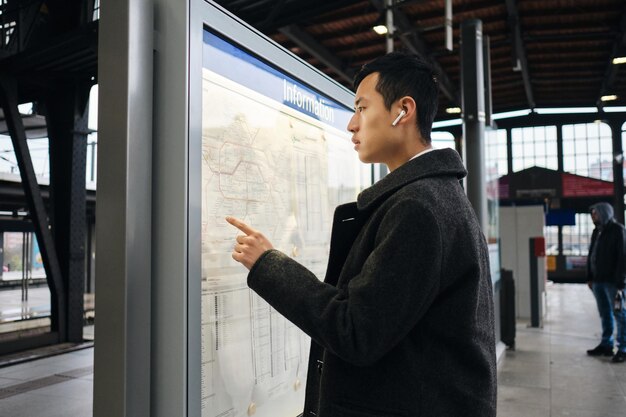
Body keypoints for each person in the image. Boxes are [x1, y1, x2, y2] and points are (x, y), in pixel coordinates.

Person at [226, 52, 497, 416]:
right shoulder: (434, 196)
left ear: (403, 110)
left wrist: (268, 264)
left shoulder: (418, 208)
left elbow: (356, 330)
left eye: (362, 108)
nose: (352, 124)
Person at [586, 202, 626, 363]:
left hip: (613, 282)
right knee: (604, 314)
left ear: (604, 213)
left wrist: (621, 282)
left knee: (619, 314)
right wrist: (590, 277)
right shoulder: (597, 231)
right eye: (592, 214)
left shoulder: (618, 230)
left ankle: (623, 347)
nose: (593, 217)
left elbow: (623, 257)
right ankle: (606, 344)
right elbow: (592, 255)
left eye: (595, 213)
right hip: (598, 281)